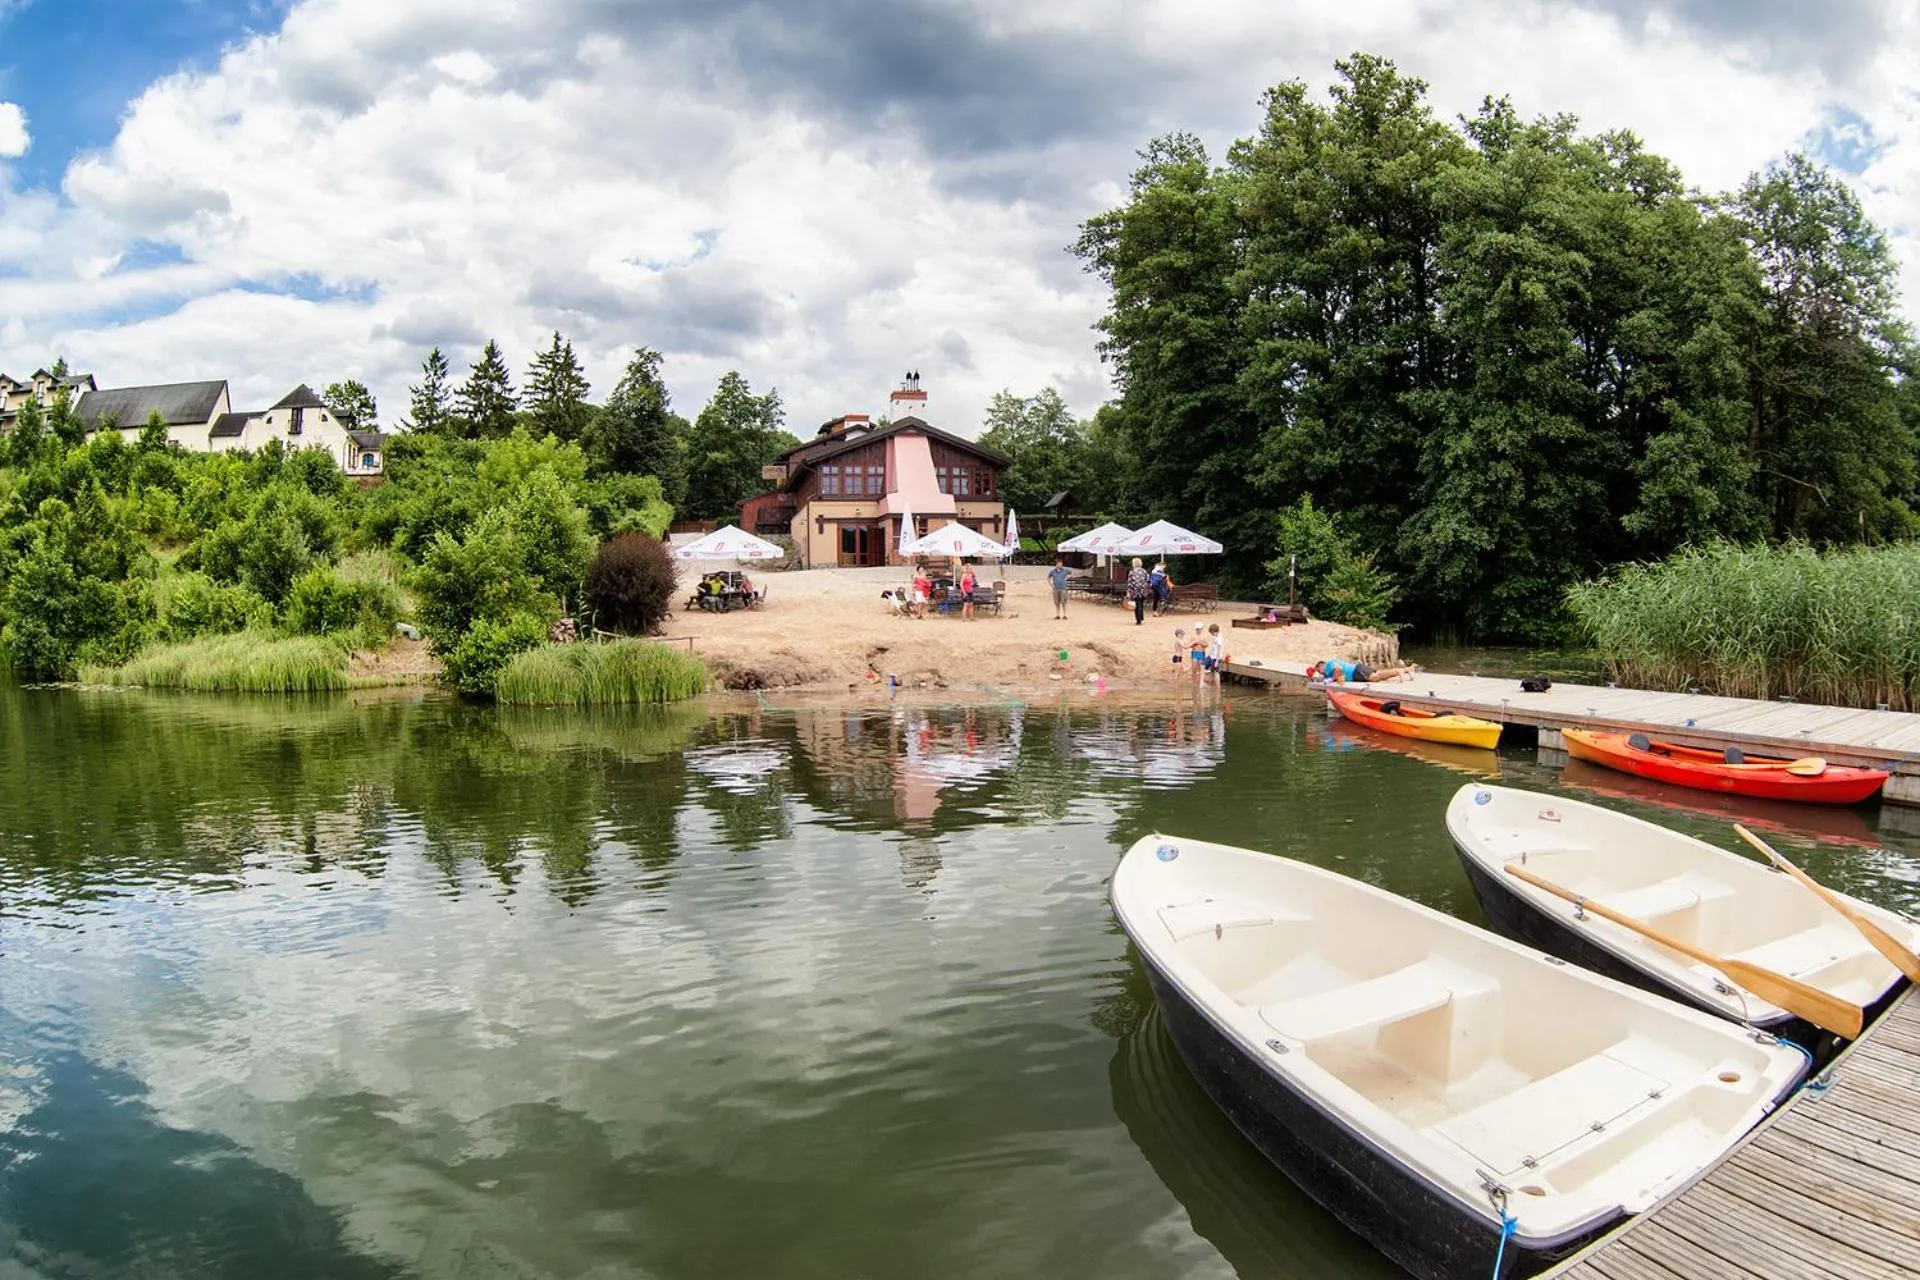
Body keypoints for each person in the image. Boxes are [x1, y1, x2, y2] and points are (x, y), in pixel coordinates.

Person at [1307, 658, 1420, 684]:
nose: (1320, 672)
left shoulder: (1330, 664)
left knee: (1376, 677)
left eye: (1319, 670)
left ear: (1321, 665)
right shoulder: (1326, 672)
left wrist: (1332, 679)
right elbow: (1326, 678)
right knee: (1379, 677)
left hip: (1357, 670)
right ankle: (1403, 671)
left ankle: (1398, 671)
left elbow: (1338, 669)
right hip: (1357, 673)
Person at [1125, 558, 1150, 625]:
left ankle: (1138, 619)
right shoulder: (1144, 571)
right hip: (1142, 590)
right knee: (1140, 604)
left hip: (1134, 590)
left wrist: (1128, 591)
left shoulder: (1131, 572)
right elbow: (1148, 579)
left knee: (1136, 604)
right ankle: (1141, 617)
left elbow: (1129, 582)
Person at [1206, 623, 1226, 688]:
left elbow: (1219, 650)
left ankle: (1218, 687)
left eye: (1211, 633)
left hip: (1216, 658)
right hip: (1212, 656)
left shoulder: (1219, 639)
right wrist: (1209, 655)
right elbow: (1213, 648)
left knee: (1216, 672)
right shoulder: (1216, 637)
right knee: (1212, 671)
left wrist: (1217, 661)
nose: (1211, 634)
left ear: (1214, 631)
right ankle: (1211, 685)